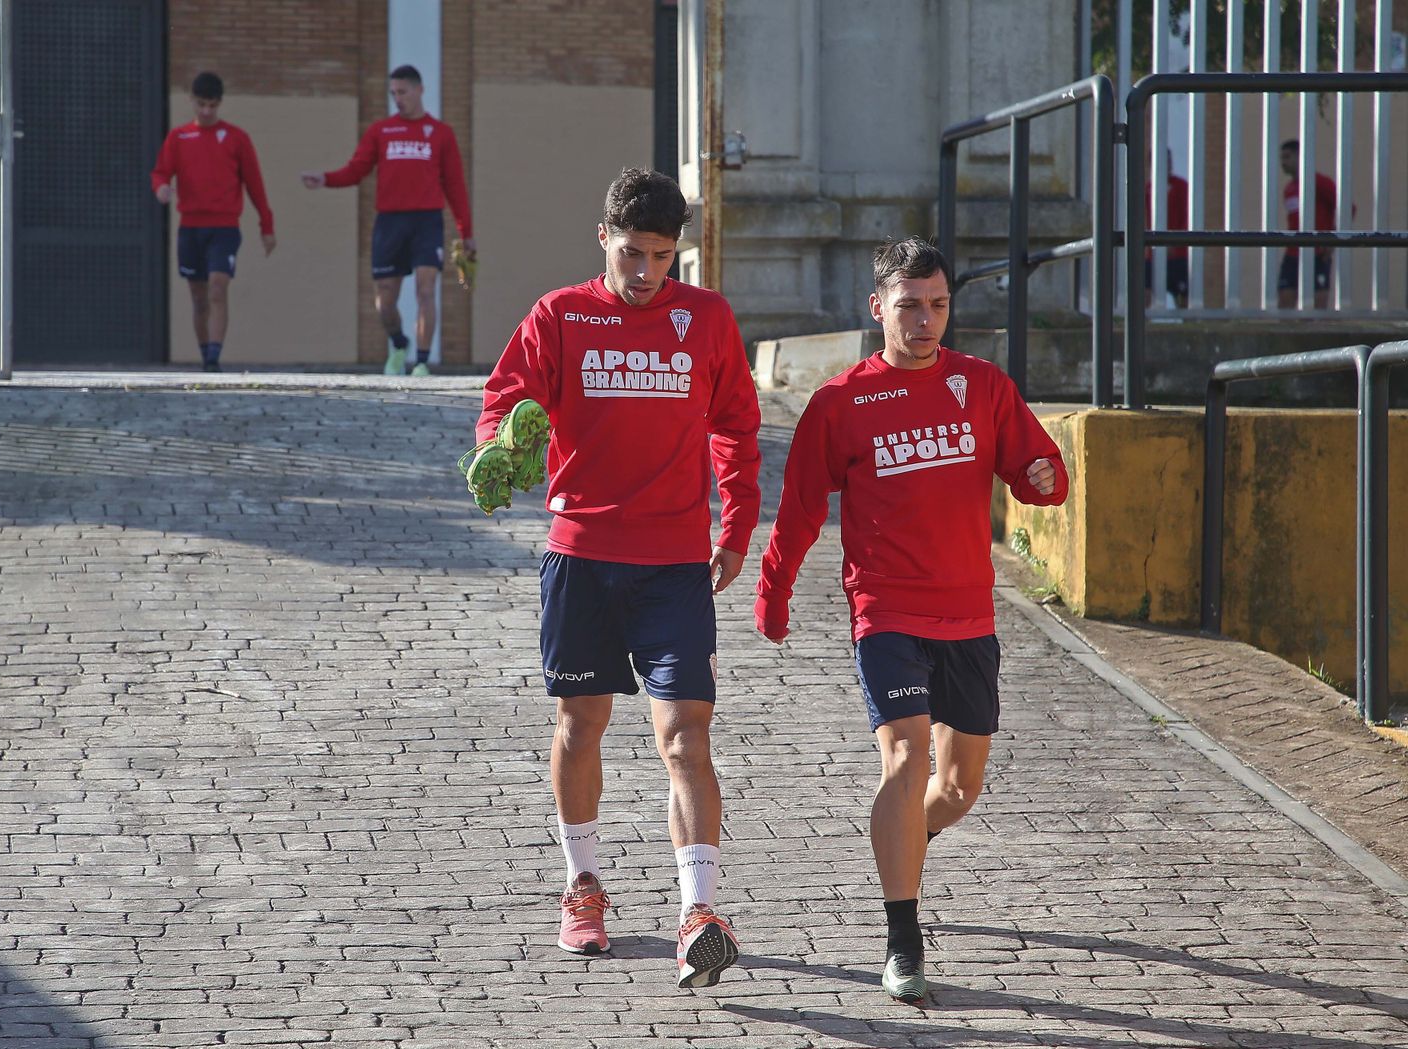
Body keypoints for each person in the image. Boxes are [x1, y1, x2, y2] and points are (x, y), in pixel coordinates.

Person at [463, 167, 761, 989]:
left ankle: (699, 912)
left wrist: (736, 527)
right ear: (604, 239)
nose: (646, 272)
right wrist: (498, 446)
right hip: (583, 557)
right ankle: (583, 883)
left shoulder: (707, 319)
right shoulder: (560, 315)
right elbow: (505, 401)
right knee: (579, 724)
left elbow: (737, 427)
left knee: (686, 736)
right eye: (632, 253)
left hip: (674, 564)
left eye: (663, 256)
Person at [754, 237, 1068, 1003]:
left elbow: (1039, 474)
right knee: (905, 760)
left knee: (958, 789)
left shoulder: (982, 386)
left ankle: (906, 841)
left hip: (969, 615)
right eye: (909, 306)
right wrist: (774, 590)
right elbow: (799, 507)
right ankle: (903, 938)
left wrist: (1043, 476)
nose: (925, 321)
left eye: (937, 305)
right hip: (886, 610)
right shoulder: (842, 402)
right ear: (878, 308)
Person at [301, 65, 474, 376]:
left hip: (426, 222)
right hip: (390, 222)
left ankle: (421, 363)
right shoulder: (381, 131)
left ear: (420, 90)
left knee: (425, 290)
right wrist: (325, 178)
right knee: (384, 301)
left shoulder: (440, 133)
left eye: (403, 92)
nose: (398, 99)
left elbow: (455, 186)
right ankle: (398, 343)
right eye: (393, 93)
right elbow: (356, 170)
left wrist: (466, 232)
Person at [151, 71, 276, 372]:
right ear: (191, 101)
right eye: (202, 104)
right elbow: (160, 172)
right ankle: (205, 351)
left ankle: (214, 358)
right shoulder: (179, 137)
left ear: (219, 104)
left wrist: (267, 226)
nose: (207, 111)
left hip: (224, 227)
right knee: (199, 296)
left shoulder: (236, 138)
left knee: (218, 287)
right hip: (191, 227)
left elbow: (255, 184)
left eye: (213, 105)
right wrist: (161, 188)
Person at [1278, 138, 1337, 309]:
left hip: (1318, 252)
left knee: (1318, 304)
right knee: (1285, 300)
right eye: (1281, 158)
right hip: (1293, 252)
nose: (1283, 162)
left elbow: (1346, 208)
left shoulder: (1319, 182)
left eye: (1287, 157)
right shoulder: (1289, 188)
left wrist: (1332, 240)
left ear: (1299, 157)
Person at [1145, 151, 1189, 308]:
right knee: (1144, 291)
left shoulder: (1181, 186)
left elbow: (1187, 218)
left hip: (1178, 254)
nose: (1166, 166)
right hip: (1153, 254)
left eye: (1168, 162)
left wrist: (1175, 243)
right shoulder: (1147, 189)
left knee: (1183, 297)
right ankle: (1142, 322)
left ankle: (1188, 322)